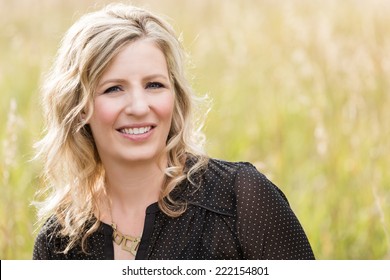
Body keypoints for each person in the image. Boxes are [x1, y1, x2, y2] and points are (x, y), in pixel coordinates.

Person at [32, 3, 315, 260]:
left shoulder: (241, 200)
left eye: (154, 85)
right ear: (81, 107)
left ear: (175, 96)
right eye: (114, 89)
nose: (139, 107)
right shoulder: (58, 243)